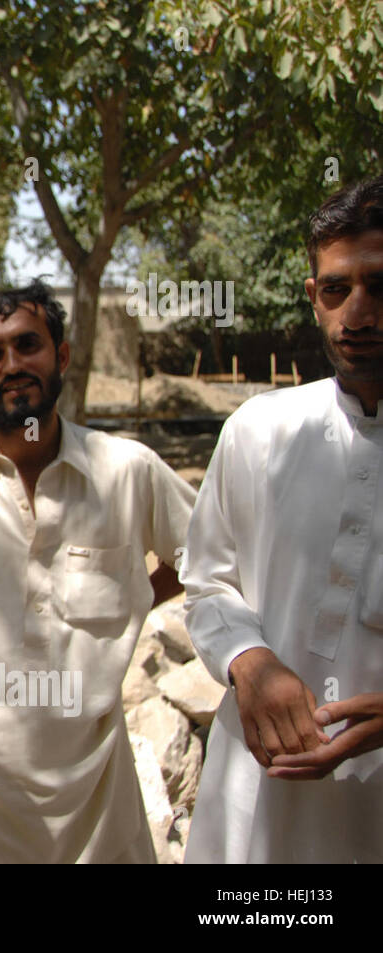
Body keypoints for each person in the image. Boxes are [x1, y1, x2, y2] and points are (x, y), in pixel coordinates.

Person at [0, 281, 197, 863]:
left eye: (28, 345)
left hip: (96, 801)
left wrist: (137, 593)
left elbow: (209, 555)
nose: (12, 365)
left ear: (60, 356)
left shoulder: (127, 471)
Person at [183, 177, 383, 863]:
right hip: (257, 801)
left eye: (379, 285)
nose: (357, 313)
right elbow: (207, 582)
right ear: (312, 297)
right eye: (336, 289)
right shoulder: (260, 430)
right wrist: (249, 658)